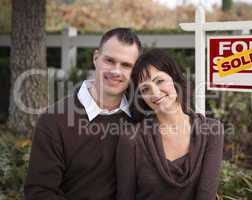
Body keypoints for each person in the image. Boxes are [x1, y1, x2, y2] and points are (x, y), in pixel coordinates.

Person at [24, 28, 142, 200]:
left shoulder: (140, 117)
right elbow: (39, 192)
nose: (116, 71)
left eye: (126, 65)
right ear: (96, 58)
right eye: (109, 61)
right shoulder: (53, 121)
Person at [117, 49, 224, 200]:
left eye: (159, 81)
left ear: (175, 79)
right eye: (145, 89)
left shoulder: (212, 131)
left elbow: (206, 194)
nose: (154, 93)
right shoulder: (131, 138)